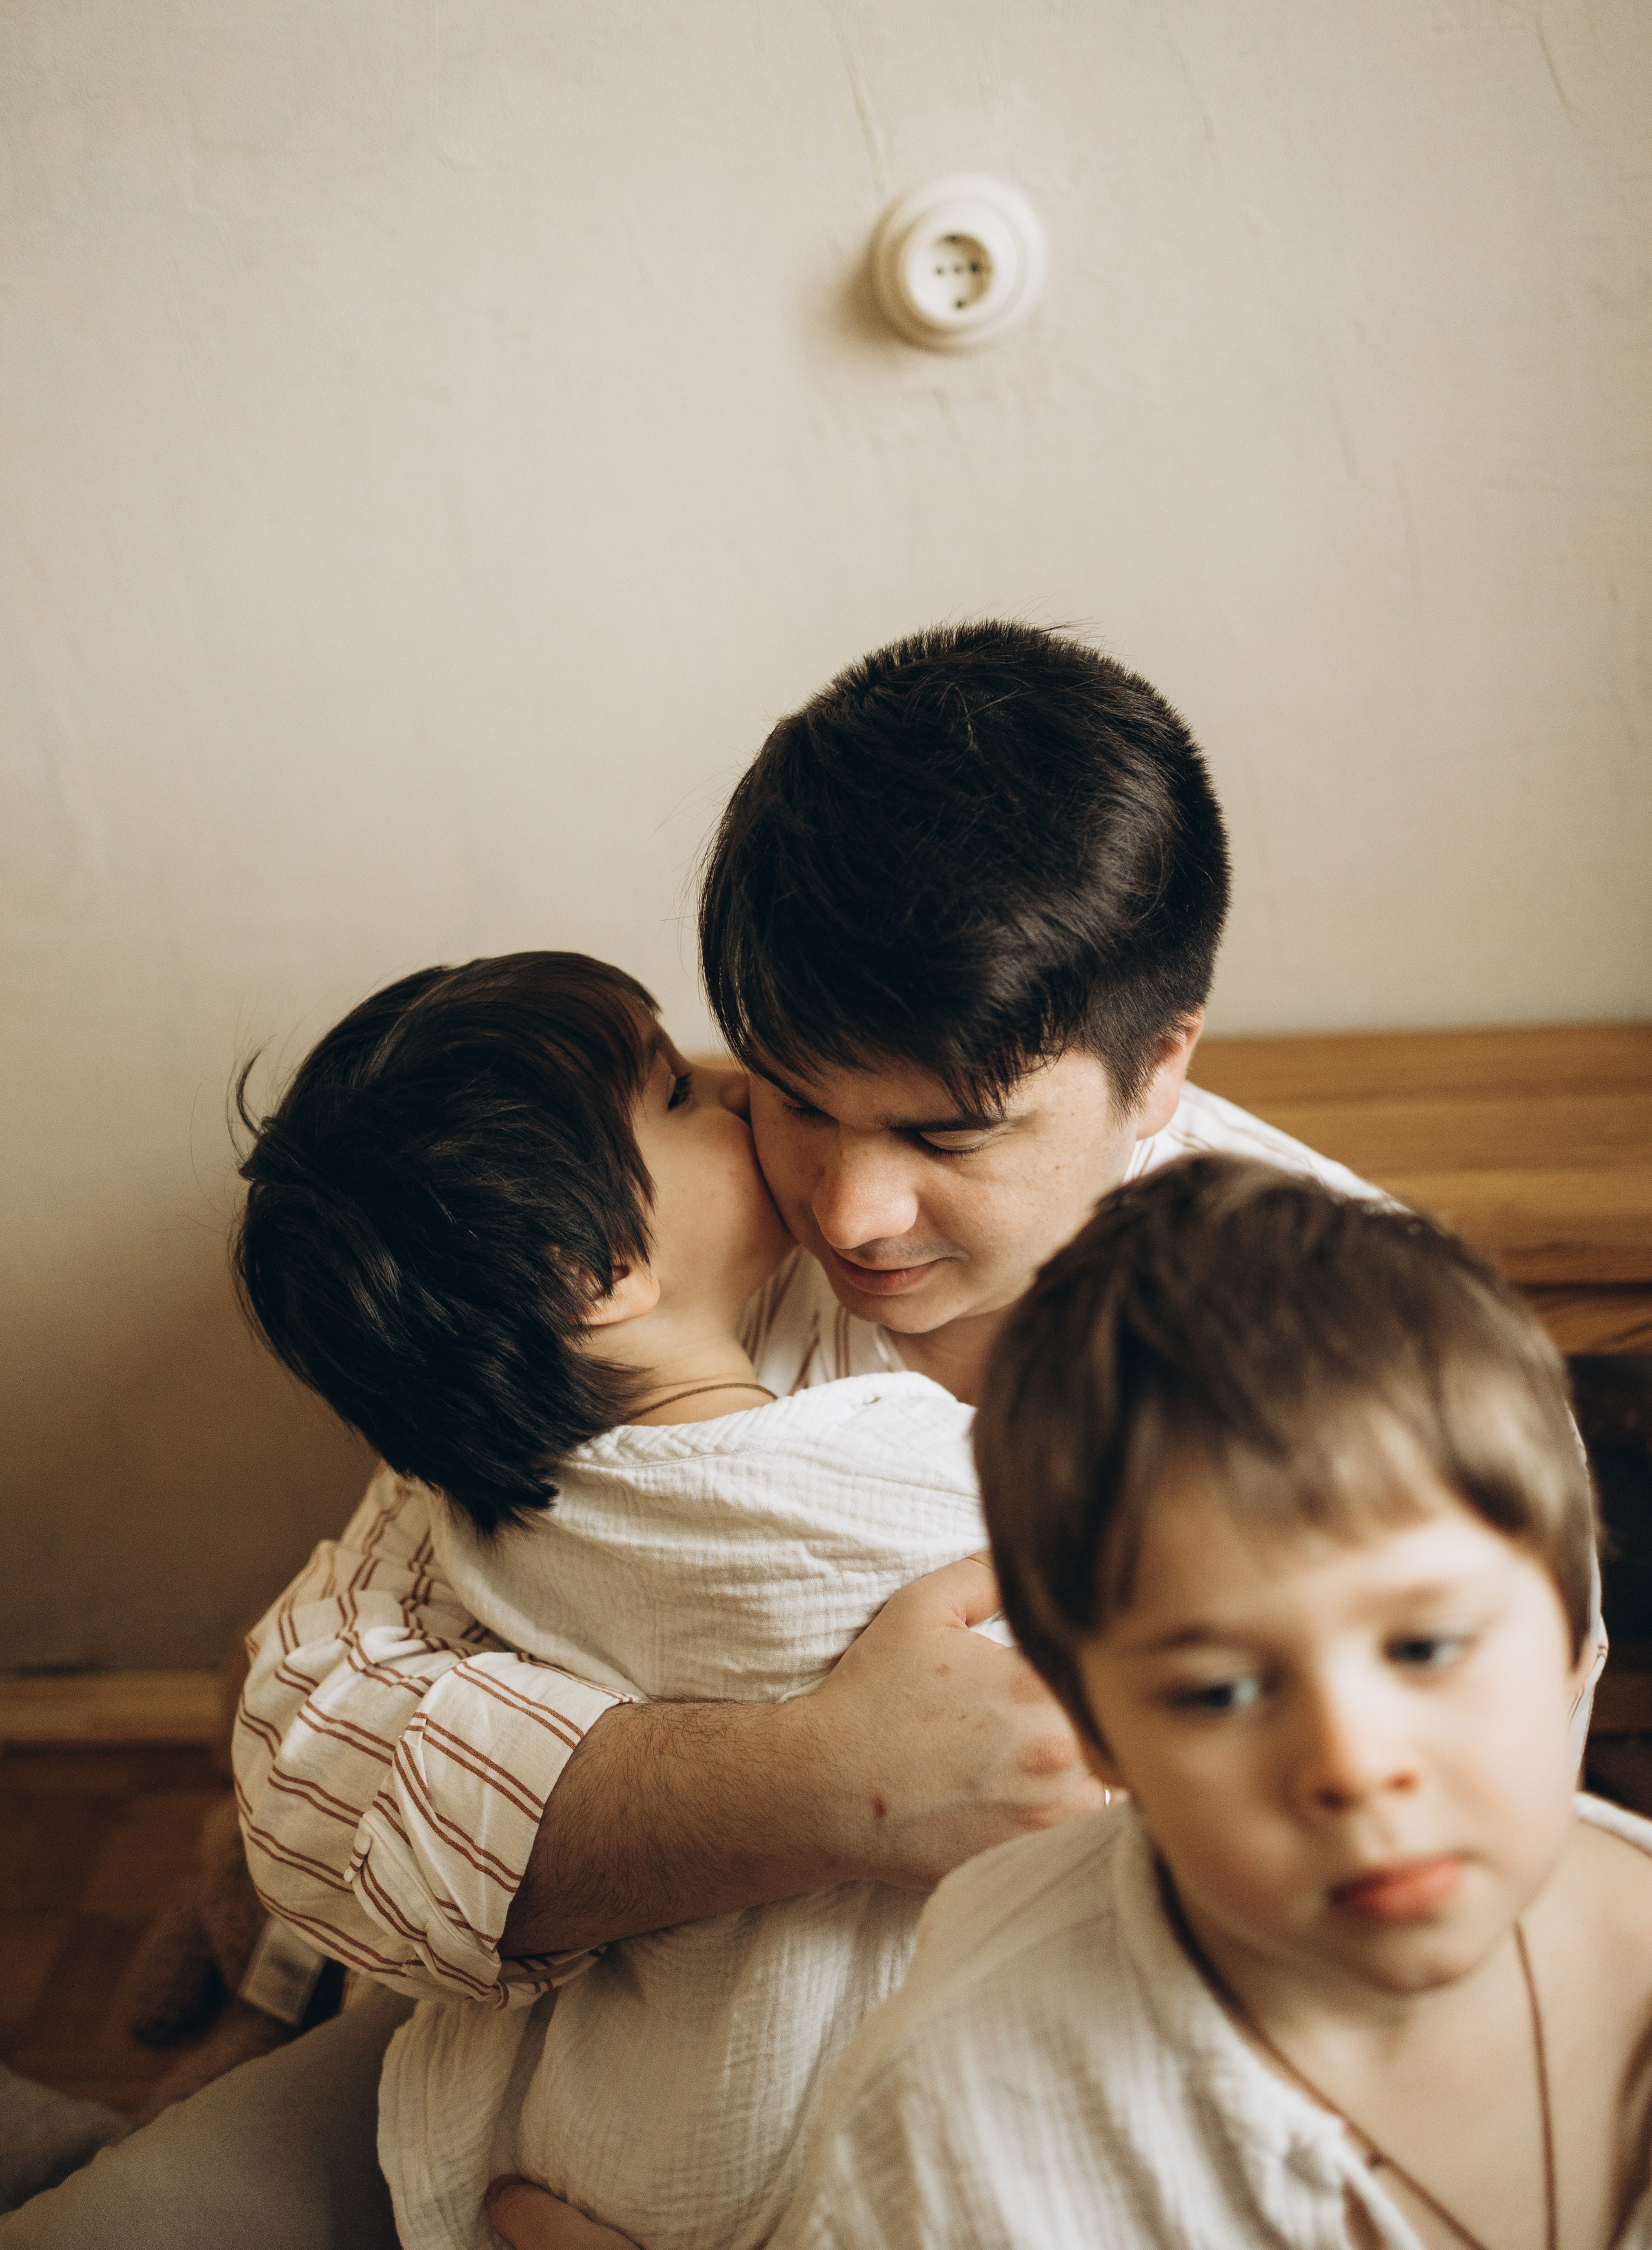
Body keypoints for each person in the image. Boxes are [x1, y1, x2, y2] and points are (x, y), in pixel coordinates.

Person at [0, 625, 1375, 2247]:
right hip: (593, 2066)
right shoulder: (642, 1301)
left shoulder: (1353, 1348)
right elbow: (308, 1748)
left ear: (1158, 1068)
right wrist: (817, 1783)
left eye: (946, 1134)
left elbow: (1403, 1850)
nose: (851, 1211)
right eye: (787, 1092)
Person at [232, 945, 1008, 2250]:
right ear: (591, 1270)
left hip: (589, 2136)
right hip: (776, 2138)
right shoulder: (836, 1479)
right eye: (673, 1096)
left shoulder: (490, 1513)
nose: (730, 1087)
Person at [756, 1158, 1639, 2250]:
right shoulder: (962, 2114)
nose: (1353, 1765)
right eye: (1218, 1692)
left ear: (1569, 1634)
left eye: (1425, 1646)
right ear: (1093, 1724)